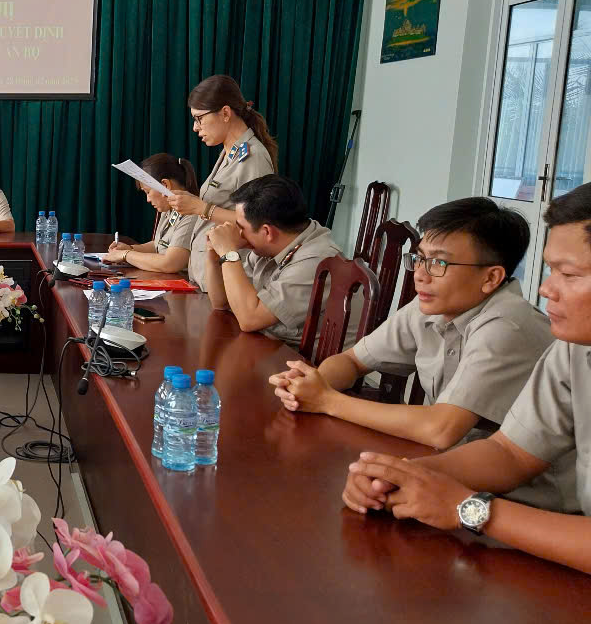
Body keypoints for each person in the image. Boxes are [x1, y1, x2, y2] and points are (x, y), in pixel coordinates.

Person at [343, 183, 591, 575]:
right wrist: (405, 476)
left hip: (554, 528)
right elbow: (511, 453)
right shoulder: (574, 349)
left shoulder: (512, 324)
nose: (545, 289)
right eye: (549, 270)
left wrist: (469, 508)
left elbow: (444, 433)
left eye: (569, 274)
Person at [270, 197, 576, 512]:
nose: (420, 274)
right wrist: (311, 383)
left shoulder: (508, 325)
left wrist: (327, 401)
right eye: (419, 258)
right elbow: (352, 360)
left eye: (439, 263)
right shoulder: (432, 304)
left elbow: (441, 429)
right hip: (457, 477)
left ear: (491, 278)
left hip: (532, 505)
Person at [165, 75, 277, 289]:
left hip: (231, 282)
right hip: (209, 278)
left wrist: (201, 208)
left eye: (199, 118)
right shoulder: (230, 152)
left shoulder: (252, 156)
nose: (195, 127)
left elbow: (259, 225)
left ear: (225, 113)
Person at [205, 174, 343, 347]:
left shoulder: (316, 261)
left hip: (301, 359)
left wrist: (228, 252)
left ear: (267, 232)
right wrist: (214, 254)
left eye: (241, 228)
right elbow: (221, 302)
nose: (238, 233)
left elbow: (249, 319)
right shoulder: (271, 245)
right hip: (270, 346)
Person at [105, 153, 200, 273]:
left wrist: (126, 254)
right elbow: (158, 245)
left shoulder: (191, 213)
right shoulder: (168, 209)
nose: (148, 199)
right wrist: (131, 248)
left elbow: (170, 263)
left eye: (148, 192)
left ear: (165, 185)